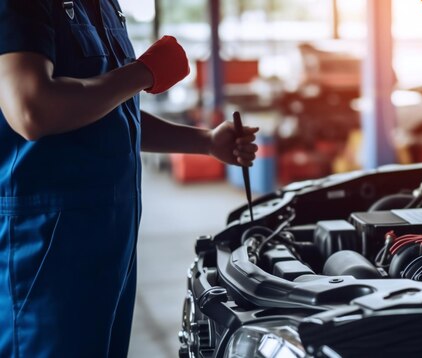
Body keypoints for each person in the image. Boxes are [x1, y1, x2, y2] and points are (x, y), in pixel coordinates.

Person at [0, 1, 258, 357]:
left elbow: (112, 112)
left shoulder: (105, 6)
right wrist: (143, 72)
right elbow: (31, 108)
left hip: (110, 240)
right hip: (46, 246)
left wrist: (206, 141)